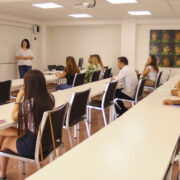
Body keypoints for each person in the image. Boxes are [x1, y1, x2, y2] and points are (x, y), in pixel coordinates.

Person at [0, 70, 55, 180]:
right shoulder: (50, 98)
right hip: (44, 140)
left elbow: (14, 117)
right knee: (2, 131)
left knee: (5, 142)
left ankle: (2, 175)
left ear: (29, 85)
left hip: (32, 144)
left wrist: (19, 97)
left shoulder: (29, 103)